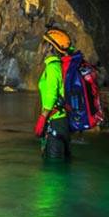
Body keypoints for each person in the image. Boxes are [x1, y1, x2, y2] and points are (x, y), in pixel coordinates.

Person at [36, 27, 72, 160]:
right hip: (60, 121)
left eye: (43, 43)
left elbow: (51, 96)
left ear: (50, 48)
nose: (40, 47)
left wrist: (42, 118)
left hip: (55, 121)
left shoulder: (53, 68)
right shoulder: (56, 66)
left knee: (53, 168)